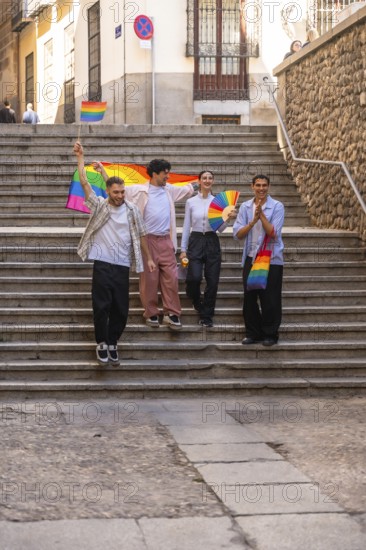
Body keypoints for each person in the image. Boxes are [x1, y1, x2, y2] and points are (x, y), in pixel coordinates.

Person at [73, 141, 156, 366]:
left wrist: (148, 258)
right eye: (115, 192)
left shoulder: (132, 211)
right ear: (108, 191)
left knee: (121, 307)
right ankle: (101, 343)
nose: (119, 195)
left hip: (121, 265)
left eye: (122, 192)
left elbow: (141, 235)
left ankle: (112, 342)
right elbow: (84, 182)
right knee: (101, 305)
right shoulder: (100, 205)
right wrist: (82, 157)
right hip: (102, 262)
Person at [94, 159, 198, 331]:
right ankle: (151, 313)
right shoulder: (139, 190)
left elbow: (186, 190)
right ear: (155, 174)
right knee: (149, 279)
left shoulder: (169, 190)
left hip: (166, 240)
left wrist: (200, 182)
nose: (168, 176)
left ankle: (172, 313)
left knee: (171, 278)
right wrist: (103, 171)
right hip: (146, 240)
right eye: (165, 173)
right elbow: (116, 189)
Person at [179, 170, 236, 328]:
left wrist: (228, 219)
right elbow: (186, 226)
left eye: (210, 178)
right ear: (199, 181)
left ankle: (207, 315)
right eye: (204, 178)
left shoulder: (218, 202)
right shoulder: (191, 202)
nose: (207, 180)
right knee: (194, 278)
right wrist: (183, 249)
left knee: (212, 280)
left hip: (212, 240)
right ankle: (196, 299)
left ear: (213, 181)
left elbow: (221, 229)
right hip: (195, 240)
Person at [233, 175, 285, 347]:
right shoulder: (245, 207)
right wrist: (252, 222)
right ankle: (253, 333)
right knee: (249, 297)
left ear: (269, 187)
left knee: (270, 298)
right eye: (258, 185)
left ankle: (270, 334)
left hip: (271, 258)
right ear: (252, 186)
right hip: (251, 257)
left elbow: (273, 232)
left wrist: (261, 216)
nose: (261, 188)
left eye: (264, 185)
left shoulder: (277, 206)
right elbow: (237, 234)